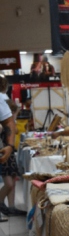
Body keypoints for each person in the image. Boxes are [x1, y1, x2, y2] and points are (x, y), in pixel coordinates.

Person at [0, 77, 21, 219]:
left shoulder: (2, 99)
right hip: (4, 145)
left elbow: (8, 122)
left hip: (4, 146)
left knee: (11, 179)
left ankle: (10, 206)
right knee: (9, 180)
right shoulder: (3, 97)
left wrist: (9, 145)